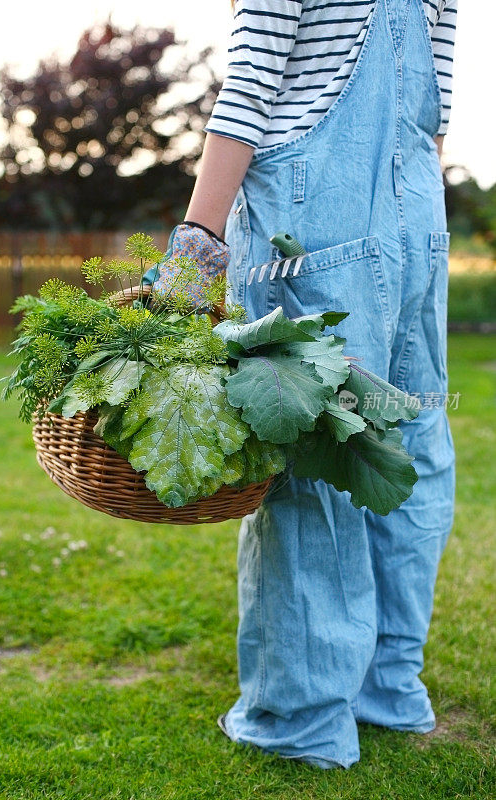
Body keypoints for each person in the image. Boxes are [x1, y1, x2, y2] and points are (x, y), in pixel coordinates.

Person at [155, 0, 458, 769]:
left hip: (310, 222)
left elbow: (253, 82)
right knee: (409, 443)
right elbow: (435, 101)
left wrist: (199, 240)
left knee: (316, 454)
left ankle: (302, 719)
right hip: (417, 211)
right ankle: (388, 690)